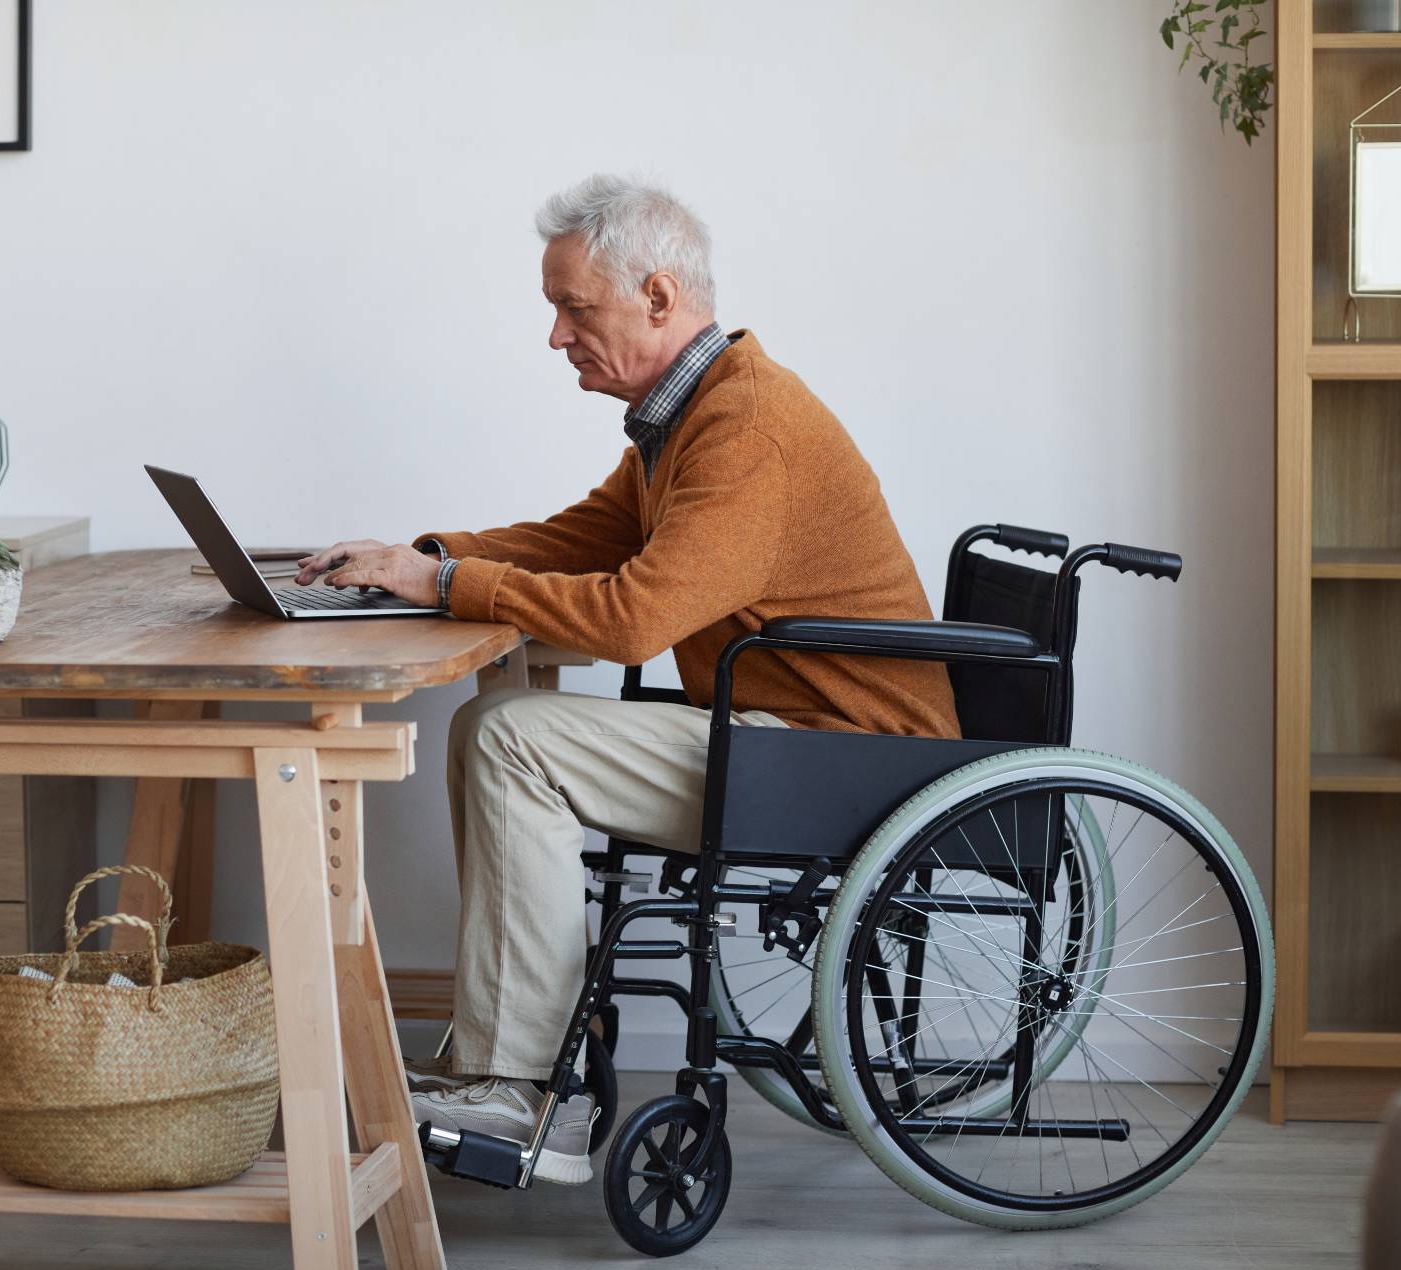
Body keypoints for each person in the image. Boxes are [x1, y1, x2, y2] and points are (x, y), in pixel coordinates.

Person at [295, 174, 960, 1185]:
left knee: (512, 734)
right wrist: (420, 555)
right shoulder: (690, 412)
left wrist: (446, 581)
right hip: (788, 735)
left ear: (657, 296)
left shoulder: (746, 430)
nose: (556, 336)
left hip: (843, 760)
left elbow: (636, 614)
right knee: (499, 728)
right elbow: (583, 539)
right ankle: (509, 1063)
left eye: (573, 307)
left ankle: (523, 1092)